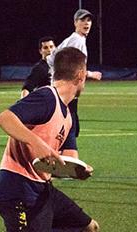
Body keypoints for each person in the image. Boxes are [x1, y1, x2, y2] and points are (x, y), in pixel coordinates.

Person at [0, 47, 101, 232]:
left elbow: (69, 159)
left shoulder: (68, 116)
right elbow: (5, 118)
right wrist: (37, 143)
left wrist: (79, 170)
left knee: (89, 230)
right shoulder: (46, 97)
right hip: (17, 192)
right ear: (81, 75)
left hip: (42, 191)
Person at [47, 9, 102, 138]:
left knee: (69, 128)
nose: (86, 23)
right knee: (70, 130)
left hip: (63, 89)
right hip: (66, 90)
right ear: (75, 22)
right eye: (82, 20)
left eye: (89, 20)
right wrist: (90, 74)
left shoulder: (75, 39)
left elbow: (50, 59)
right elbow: (70, 65)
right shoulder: (76, 40)